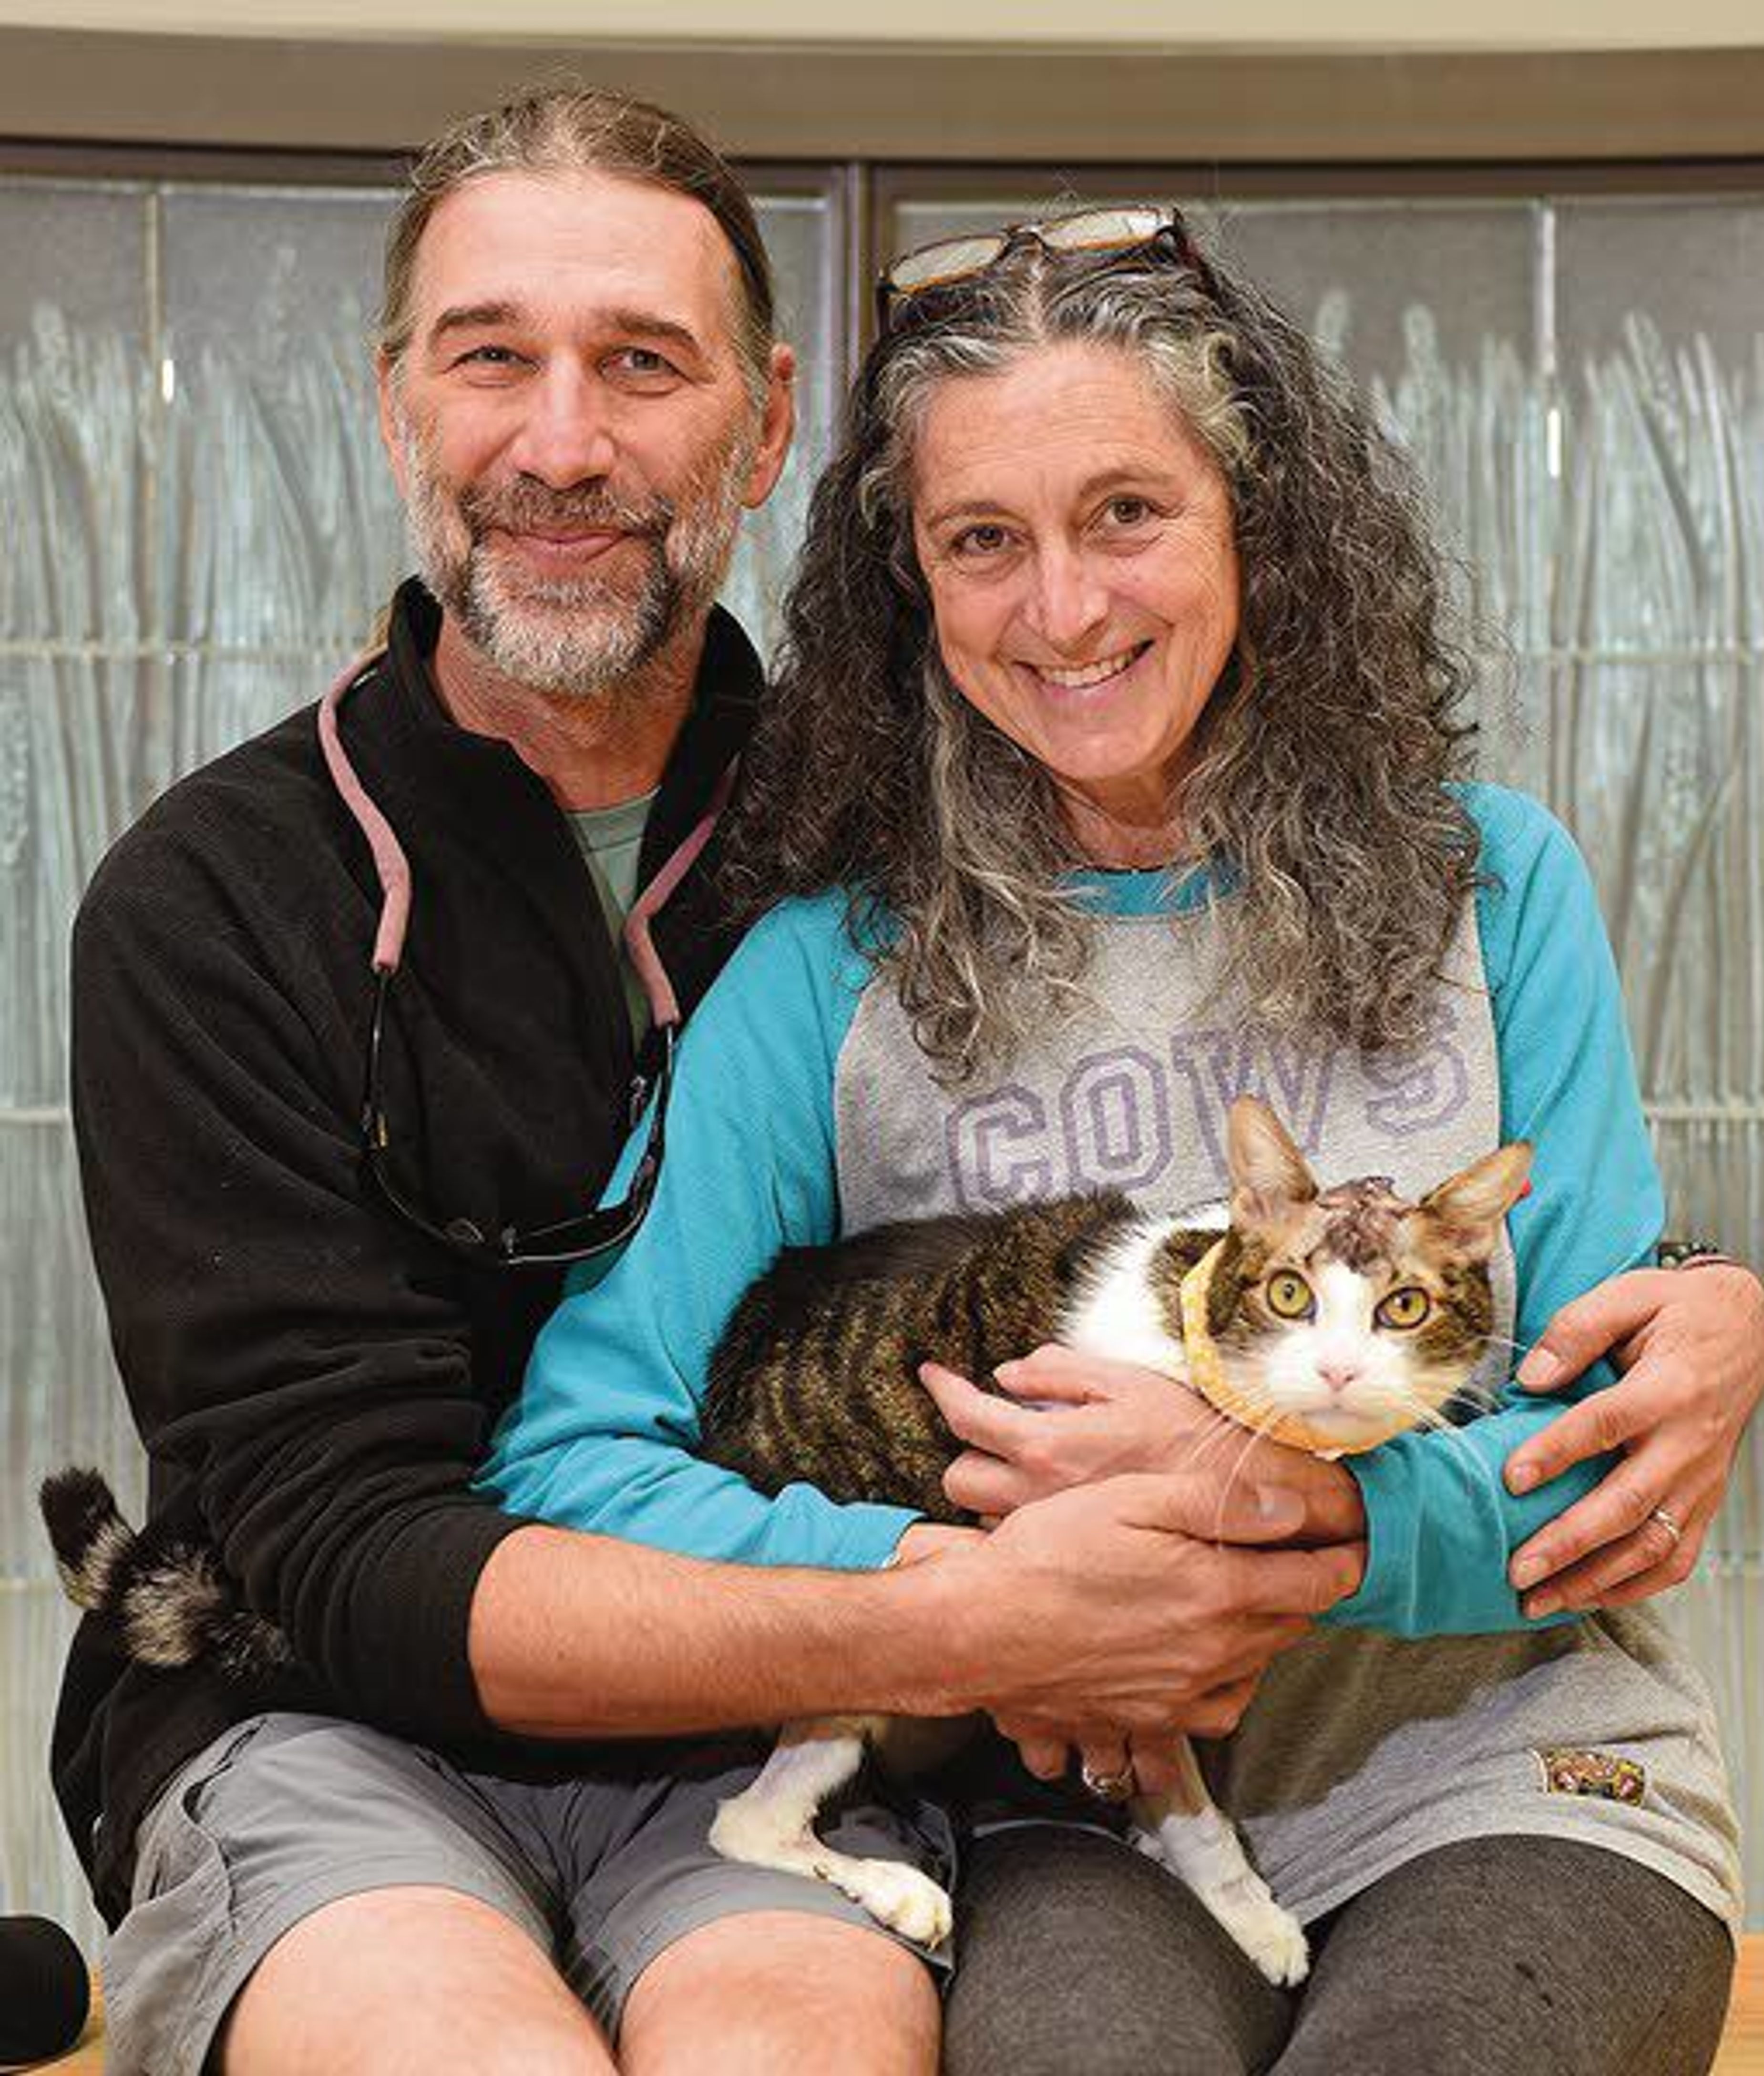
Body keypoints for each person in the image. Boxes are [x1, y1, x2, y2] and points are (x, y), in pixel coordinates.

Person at [53, 99, 1379, 2076]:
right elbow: (331, 1540)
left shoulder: (933, 837)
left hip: (782, 1747)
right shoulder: (210, 898)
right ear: (398, 400)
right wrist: (971, 1622)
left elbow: (1239, 1176)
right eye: (491, 355)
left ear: (767, 429)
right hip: (321, 1710)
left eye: (642, 365)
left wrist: (1682, 1275)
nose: (563, 444)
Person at [482, 205, 1764, 2076]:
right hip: (1067, 1811)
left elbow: (1613, 1475)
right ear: (910, 587)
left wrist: (1312, 1500)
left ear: (1260, 521)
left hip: (1509, 1772)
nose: (1065, 610)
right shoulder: (818, 979)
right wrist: (970, 1600)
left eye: (1126, 515)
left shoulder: (1494, 890)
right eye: (982, 543)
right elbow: (577, 1464)